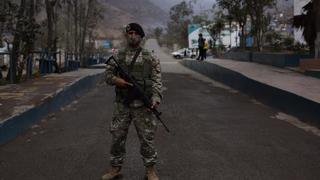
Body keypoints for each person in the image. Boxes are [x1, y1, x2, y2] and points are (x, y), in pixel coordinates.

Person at [102, 23, 163, 180]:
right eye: (129, 33)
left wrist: (156, 98)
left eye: (135, 33)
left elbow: (157, 81)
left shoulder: (151, 57)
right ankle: (115, 169)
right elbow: (107, 76)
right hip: (122, 104)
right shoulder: (118, 56)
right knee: (117, 137)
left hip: (143, 106)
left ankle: (150, 170)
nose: (132, 35)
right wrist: (117, 81)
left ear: (141, 36)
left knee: (146, 138)